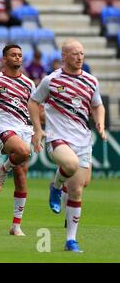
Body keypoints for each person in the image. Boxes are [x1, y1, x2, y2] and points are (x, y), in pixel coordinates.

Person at [28, 39, 106, 252]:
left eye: (82, 53)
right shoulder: (51, 81)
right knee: (69, 165)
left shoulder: (91, 81)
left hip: (83, 140)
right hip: (58, 137)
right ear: (64, 56)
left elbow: (98, 106)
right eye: (74, 53)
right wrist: (38, 129)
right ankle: (55, 186)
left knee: (78, 189)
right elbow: (33, 102)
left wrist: (101, 122)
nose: (79, 57)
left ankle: (70, 240)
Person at [0, 44, 36, 236]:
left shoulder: (29, 84)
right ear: (4, 59)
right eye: (13, 55)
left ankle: (16, 226)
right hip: (4, 128)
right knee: (23, 152)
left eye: (20, 55)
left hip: (25, 130)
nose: (18, 58)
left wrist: (38, 132)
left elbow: (34, 110)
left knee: (21, 177)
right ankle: (3, 169)